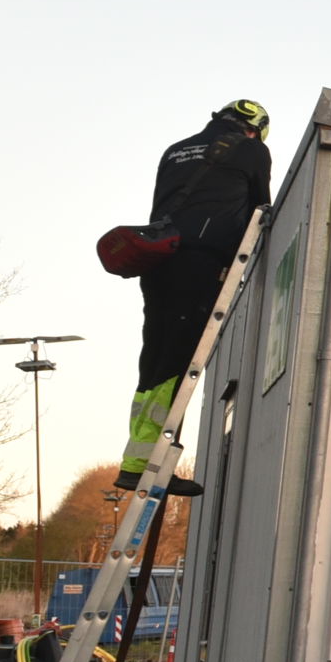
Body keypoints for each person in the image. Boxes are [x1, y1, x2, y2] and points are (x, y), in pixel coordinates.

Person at [118, 99, 272, 493]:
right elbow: (262, 209)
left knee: (154, 360)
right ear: (255, 128)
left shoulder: (176, 150)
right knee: (178, 361)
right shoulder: (252, 150)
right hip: (199, 264)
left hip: (159, 261)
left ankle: (136, 461)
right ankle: (154, 467)